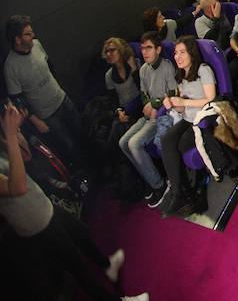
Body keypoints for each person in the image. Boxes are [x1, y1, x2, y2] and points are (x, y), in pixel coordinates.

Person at [0, 104, 151, 301]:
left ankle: (108, 265)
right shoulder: (7, 140)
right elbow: (17, 188)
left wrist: (16, 130)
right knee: (79, 268)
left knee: (81, 233)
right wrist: (11, 135)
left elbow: (26, 157)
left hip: (43, 206)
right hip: (34, 224)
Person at [4, 16, 87, 170]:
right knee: (69, 145)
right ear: (17, 40)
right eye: (28, 34)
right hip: (47, 114)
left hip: (62, 98)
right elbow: (18, 100)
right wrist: (36, 121)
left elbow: (49, 66)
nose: (33, 35)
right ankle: (87, 169)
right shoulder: (11, 67)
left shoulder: (36, 45)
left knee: (81, 128)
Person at [159, 36, 217, 216]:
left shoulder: (203, 70)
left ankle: (185, 192)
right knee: (166, 139)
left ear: (192, 52)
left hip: (203, 118)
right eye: (176, 53)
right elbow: (183, 107)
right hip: (188, 118)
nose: (177, 56)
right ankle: (180, 193)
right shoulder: (181, 76)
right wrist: (173, 104)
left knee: (178, 145)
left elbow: (211, 99)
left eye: (182, 52)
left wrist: (183, 101)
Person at [118, 32, 177, 207]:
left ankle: (159, 184)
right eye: (142, 48)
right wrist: (148, 103)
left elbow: (173, 94)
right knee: (123, 142)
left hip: (162, 115)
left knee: (134, 143)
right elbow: (144, 94)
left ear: (158, 49)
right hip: (148, 114)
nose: (144, 52)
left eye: (149, 48)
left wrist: (154, 104)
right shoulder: (143, 69)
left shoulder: (167, 66)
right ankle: (149, 178)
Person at [100, 37, 142, 147]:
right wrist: (119, 112)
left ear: (121, 50)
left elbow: (143, 88)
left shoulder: (135, 63)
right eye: (107, 51)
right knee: (116, 128)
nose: (109, 54)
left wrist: (134, 70)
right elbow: (113, 100)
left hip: (140, 105)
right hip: (125, 110)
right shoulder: (109, 75)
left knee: (117, 129)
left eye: (112, 50)